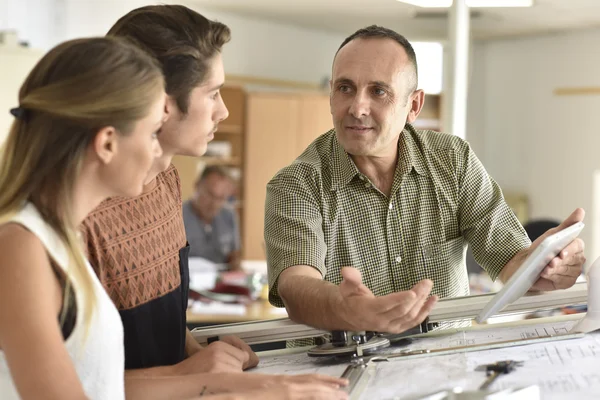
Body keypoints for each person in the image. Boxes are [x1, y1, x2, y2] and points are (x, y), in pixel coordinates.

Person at [82, 6, 349, 400]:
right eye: (212, 93)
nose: (222, 110)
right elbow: (72, 382)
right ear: (162, 101)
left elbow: (162, 321)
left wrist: (203, 352)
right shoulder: (81, 210)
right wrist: (195, 374)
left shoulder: (167, 181)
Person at [264, 25, 586, 336]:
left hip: (443, 366)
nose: (357, 107)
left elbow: (512, 262)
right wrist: (344, 309)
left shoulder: (453, 161)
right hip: (339, 373)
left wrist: (545, 269)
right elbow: (296, 286)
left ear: (413, 105)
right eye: (345, 88)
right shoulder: (297, 184)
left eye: (378, 91)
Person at [0, 36, 165, 400]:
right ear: (107, 142)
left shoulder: (60, 237)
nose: (157, 150)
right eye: (153, 132)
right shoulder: (21, 246)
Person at [183, 166, 242, 270]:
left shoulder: (229, 215)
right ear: (197, 186)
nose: (214, 203)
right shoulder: (178, 216)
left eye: (221, 198)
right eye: (210, 195)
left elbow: (234, 256)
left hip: (220, 281)